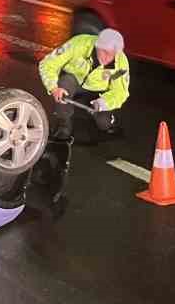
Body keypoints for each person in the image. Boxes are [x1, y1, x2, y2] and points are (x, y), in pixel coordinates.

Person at [32, 28, 130, 201]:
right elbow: (47, 64)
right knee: (66, 82)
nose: (107, 58)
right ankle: (64, 125)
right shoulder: (79, 43)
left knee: (103, 123)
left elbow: (121, 93)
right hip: (74, 82)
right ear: (96, 45)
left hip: (99, 93)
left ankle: (109, 122)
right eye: (104, 52)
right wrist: (54, 87)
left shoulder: (121, 63)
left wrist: (104, 103)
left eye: (111, 55)